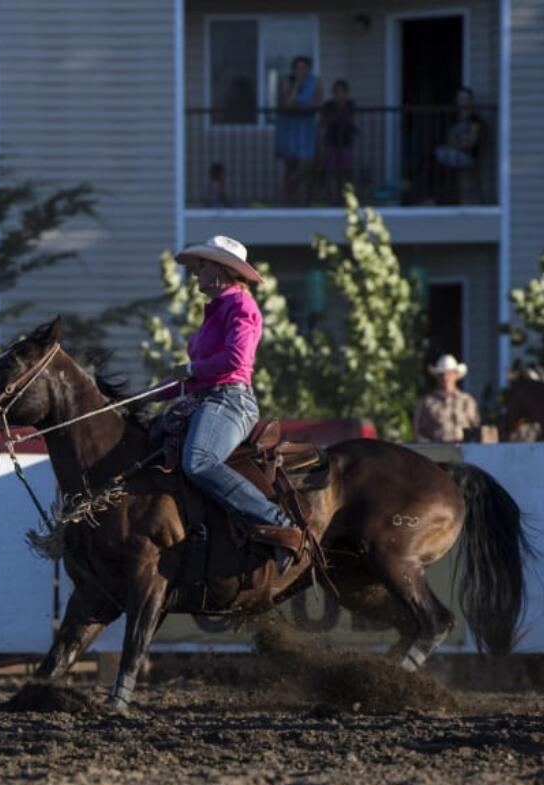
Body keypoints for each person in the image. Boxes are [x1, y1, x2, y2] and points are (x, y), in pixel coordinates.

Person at [154, 236, 301, 566]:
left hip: (231, 400)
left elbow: (235, 360)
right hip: (206, 397)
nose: (195, 274)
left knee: (200, 461)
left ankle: (278, 524)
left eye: (201, 266)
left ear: (220, 271)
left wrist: (189, 369)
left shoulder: (242, 308)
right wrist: (146, 396)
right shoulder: (218, 310)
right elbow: (191, 379)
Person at [275, 56, 323, 206]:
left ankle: (304, 198)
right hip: (290, 128)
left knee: (307, 164)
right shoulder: (287, 82)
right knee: (290, 165)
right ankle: (289, 201)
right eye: (297, 68)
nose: (300, 71)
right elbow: (287, 103)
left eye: (304, 68)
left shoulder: (315, 82)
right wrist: (295, 85)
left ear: (309, 69)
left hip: (306, 128)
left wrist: (299, 106)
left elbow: (316, 103)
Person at [435, 86, 486, 204]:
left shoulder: (475, 120)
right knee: (434, 157)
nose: (462, 101)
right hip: (454, 153)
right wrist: (459, 141)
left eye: (465, 98)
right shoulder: (454, 119)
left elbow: (470, 142)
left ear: (470, 101)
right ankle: (437, 197)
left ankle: (442, 198)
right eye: (460, 98)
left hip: (469, 156)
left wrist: (458, 142)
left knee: (441, 160)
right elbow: (449, 140)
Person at [413, 354, 480, 443]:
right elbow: (417, 431)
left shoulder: (467, 401)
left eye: (449, 374)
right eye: (442, 374)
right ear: (437, 377)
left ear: (456, 375)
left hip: (463, 451)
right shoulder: (427, 403)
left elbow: (476, 427)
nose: (445, 378)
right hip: (436, 452)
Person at [320, 79, 356, 203]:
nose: (340, 95)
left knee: (347, 171)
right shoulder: (328, 105)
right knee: (331, 171)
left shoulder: (350, 105)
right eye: (337, 92)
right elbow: (324, 123)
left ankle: (347, 197)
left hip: (346, 141)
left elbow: (350, 121)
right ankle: (333, 197)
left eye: (342, 92)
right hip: (331, 140)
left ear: (346, 93)